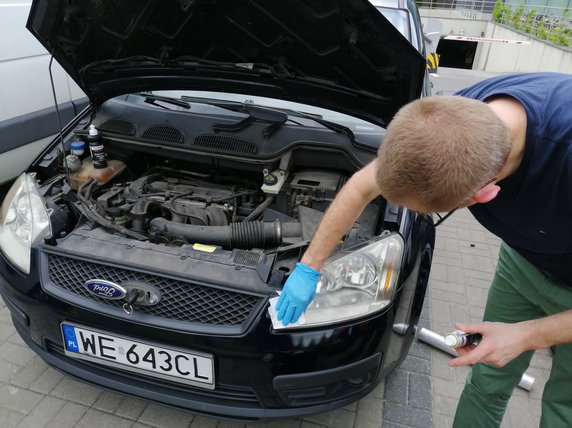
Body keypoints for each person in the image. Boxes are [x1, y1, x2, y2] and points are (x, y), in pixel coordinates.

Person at [275, 72, 572, 427]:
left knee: (563, 405)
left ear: (485, 193)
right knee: (488, 372)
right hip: (524, 262)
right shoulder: (447, 123)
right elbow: (359, 188)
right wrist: (309, 267)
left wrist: (527, 335)